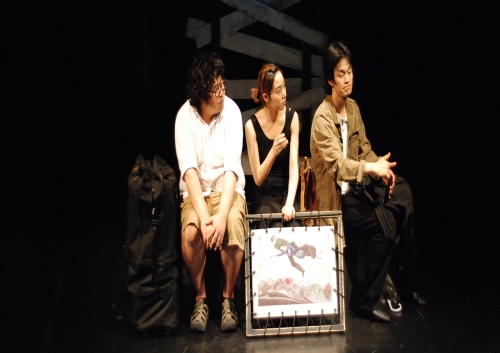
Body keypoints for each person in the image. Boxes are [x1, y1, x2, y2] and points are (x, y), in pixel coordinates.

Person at [310, 41, 426, 323]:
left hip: (361, 189)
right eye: (340, 74)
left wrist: (381, 168)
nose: (347, 79)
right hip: (341, 200)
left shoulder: (353, 108)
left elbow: (364, 150)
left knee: (403, 193)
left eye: (349, 72)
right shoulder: (322, 118)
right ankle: (366, 300)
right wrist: (371, 168)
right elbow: (339, 166)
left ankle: (407, 283)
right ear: (330, 79)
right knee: (386, 224)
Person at [175, 52, 246, 333]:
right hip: (197, 195)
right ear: (202, 95)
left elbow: (231, 170)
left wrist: (221, 216)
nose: (222, 92)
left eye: (222, 85)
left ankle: (228, 298)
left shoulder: (232, 112)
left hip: (227, 190)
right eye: (216, 89)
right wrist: (205, 219)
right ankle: (201, 297)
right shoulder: (185, 117)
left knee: (233, 226)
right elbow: (189, 173)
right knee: (191, 233)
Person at [244, 63, 300, 226]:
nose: (284, 94)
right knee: (268, 228)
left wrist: (289, 203)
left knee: (294, 228)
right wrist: (273, 151)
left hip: (287, 191)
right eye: (278, 90)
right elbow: (258, 178)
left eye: (284, 87)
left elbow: (293, 168)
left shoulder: (292, 117)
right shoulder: (251, 126)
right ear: (266, 97)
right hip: (264, 193)